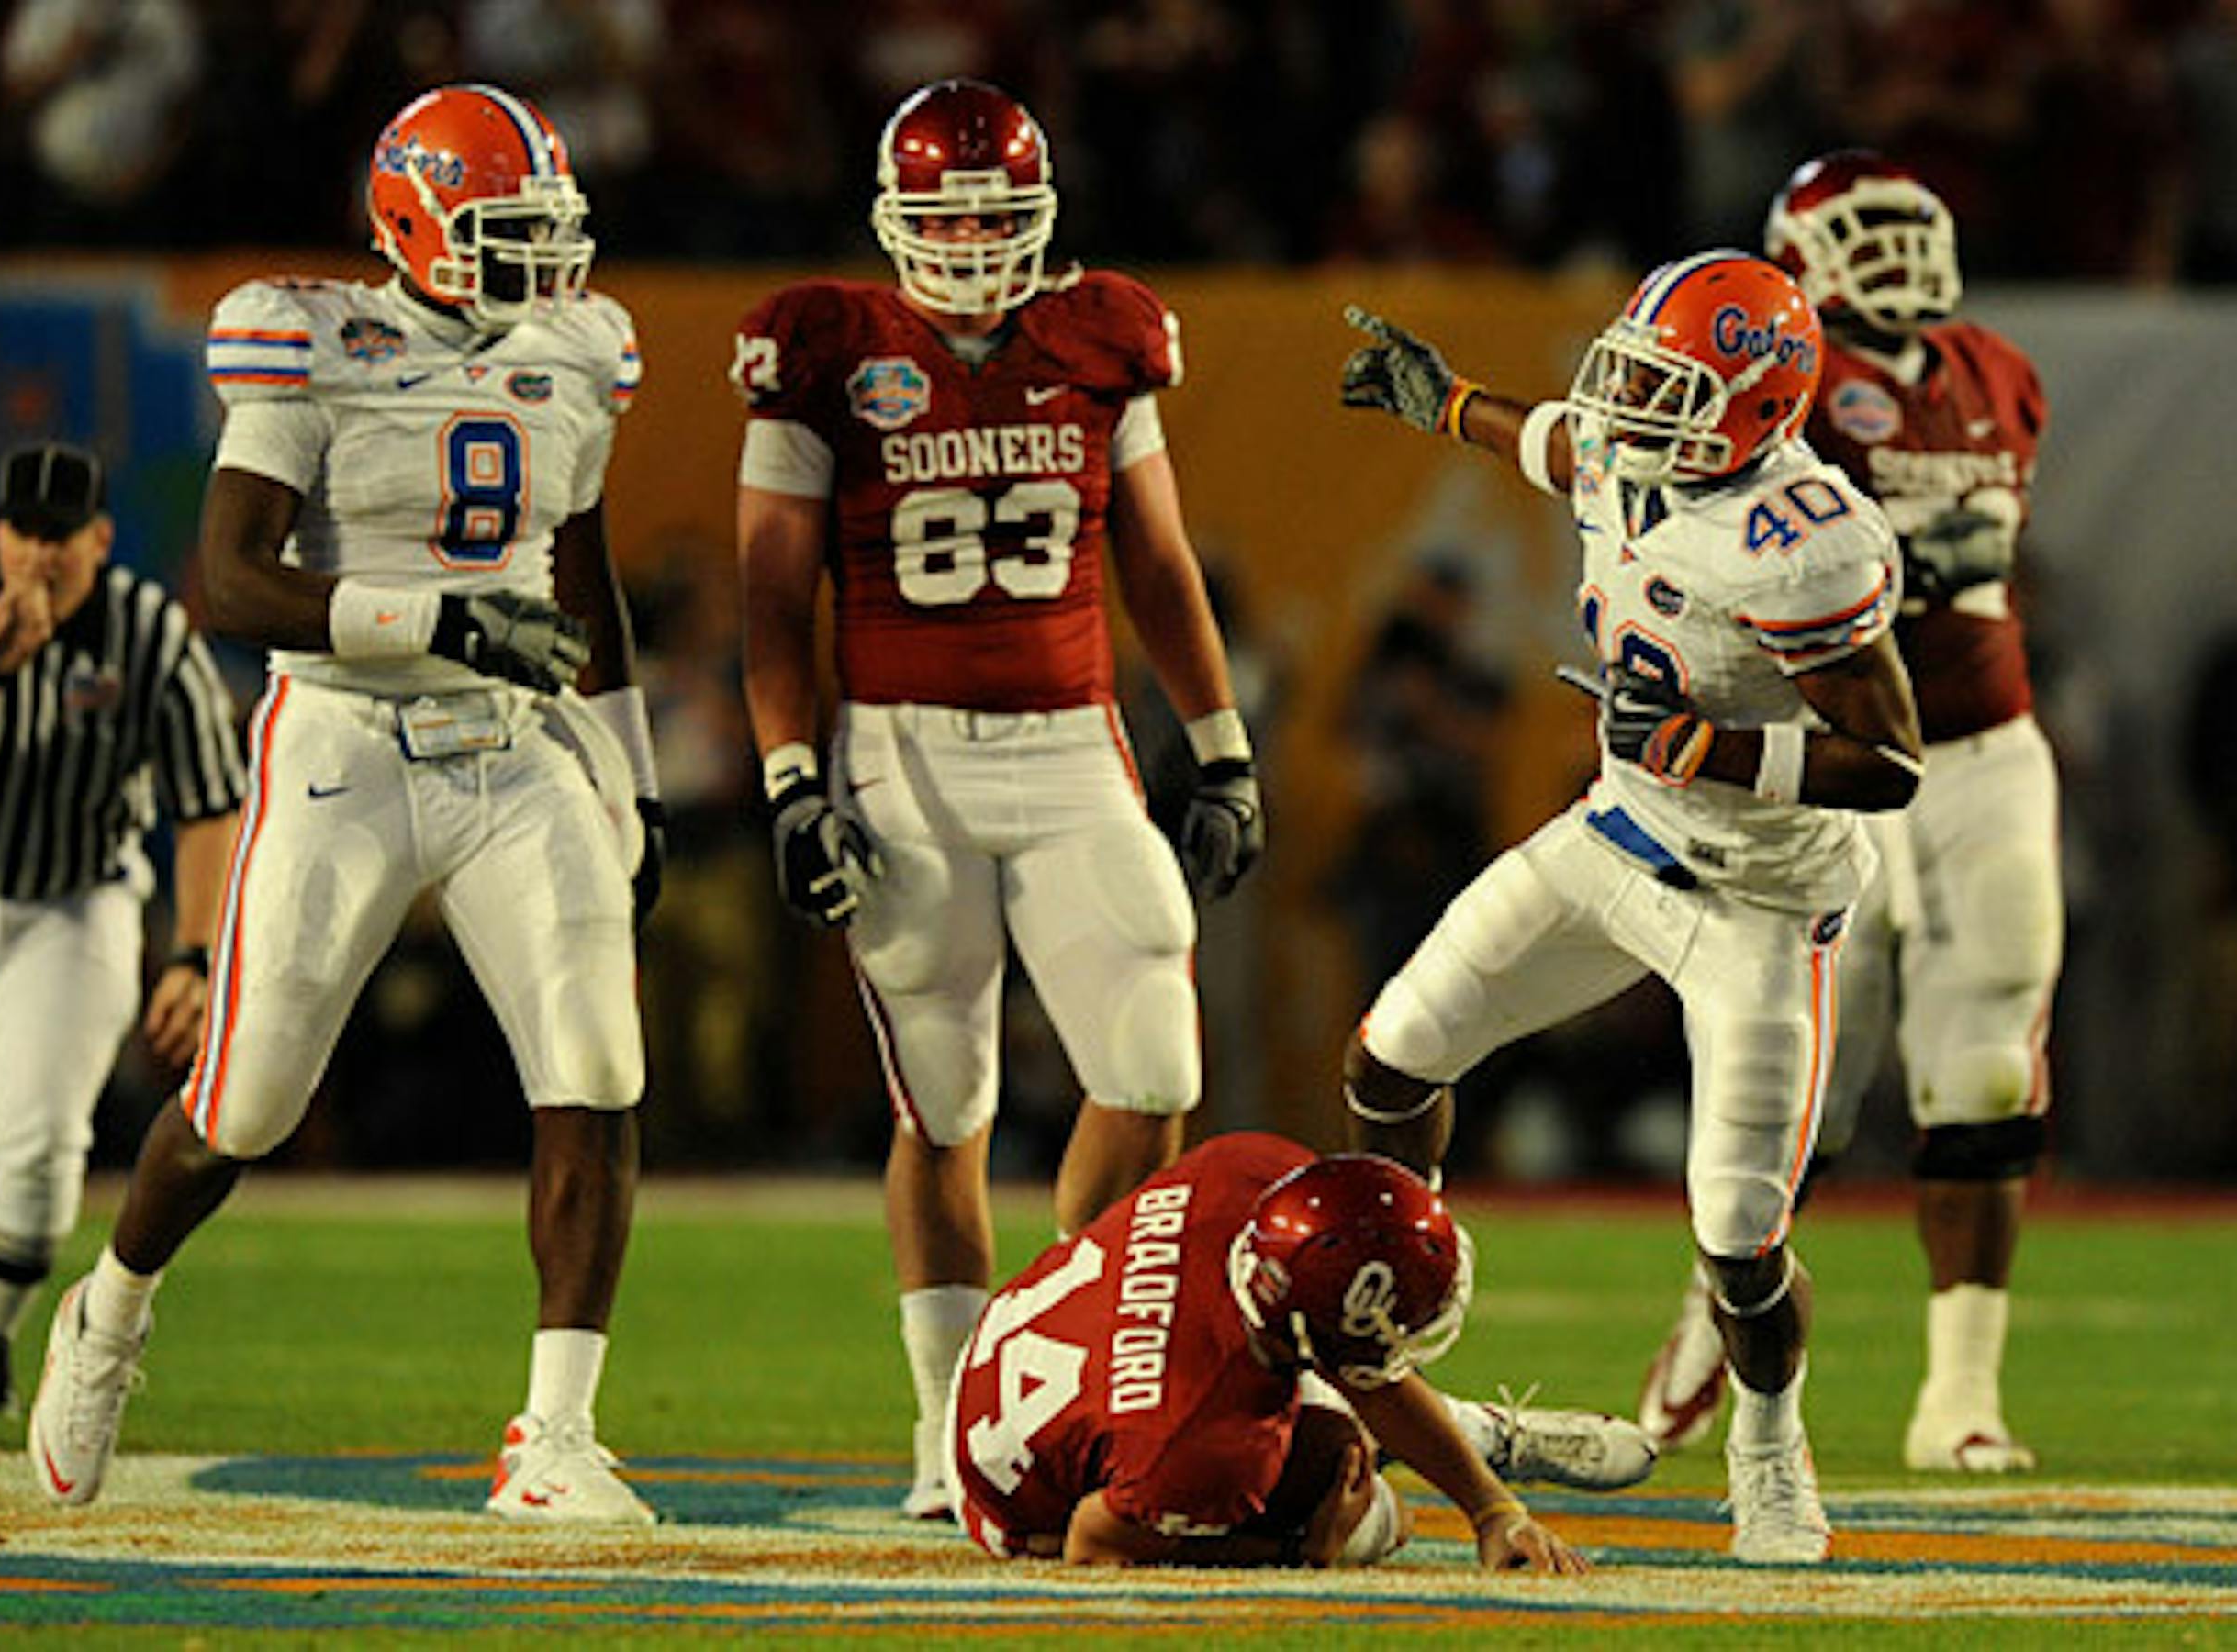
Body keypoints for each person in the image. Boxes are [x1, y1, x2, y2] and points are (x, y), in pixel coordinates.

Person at [27, 84, 666, 1524]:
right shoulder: (310, 338)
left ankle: (554, 1438)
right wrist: (437, 619)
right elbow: (234, 581)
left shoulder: (581, 350)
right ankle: (110, 1312)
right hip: (344, 742)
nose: (540, 262)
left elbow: (581, 568)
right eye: (503, 231)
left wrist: (626, 771)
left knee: (597, 1063)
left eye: (547, 230)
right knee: (246, 1101)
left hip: (515, 746)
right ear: (413, 224)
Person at [1334, 251, 1925, 1564]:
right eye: (1632, 373)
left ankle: (1767, 1450)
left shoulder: (1805, 539)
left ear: (1754, 407)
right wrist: (1449, 403)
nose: (1625, 404)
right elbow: (1555, 443)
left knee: (1738, 1237)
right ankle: (1394, 1328)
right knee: (1390, 1057)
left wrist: (1714, 750)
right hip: (1619, 837)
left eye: (1665, 386)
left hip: (1762, 900)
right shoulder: (1624, 446)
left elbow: (1889, 762)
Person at [733, 78, 1265, 1520]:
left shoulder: (1100, 336)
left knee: (1151, 1068)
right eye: (947, 218)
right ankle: (950, 1420)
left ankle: (1068, 1351)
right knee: (946, 1095)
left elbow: (1156, 562)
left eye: (995, 216)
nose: (971, 243)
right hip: (902, 756)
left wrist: (1219, 747)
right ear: (893, 218)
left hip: (1073, 743)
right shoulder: (824, 347)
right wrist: (790, 782)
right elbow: (773, 594)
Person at [1636, 152, 2062, 1476]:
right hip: (1843, 765)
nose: (1889, 253)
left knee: (1988, 1063)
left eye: (1902, 227)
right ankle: (1708, 1318)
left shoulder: (1999, 373)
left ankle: (1960, 1397)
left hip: (1987, 748)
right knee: (1802, 1093)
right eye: (1858, 231)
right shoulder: (1791, 378)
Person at [947, 1131, 1652, 1568]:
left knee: (1330, 1383)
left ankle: (1471, 1437)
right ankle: (1456, 1432)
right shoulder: (1204, 1442)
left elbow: (1342, 1350)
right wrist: (1298, 1551)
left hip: (1020, 1346)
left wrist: (1494, 1512)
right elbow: (1092, 1542)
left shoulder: (1245, 1175)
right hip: (1010, 1501)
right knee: (1371, 1519)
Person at [0, 441, 244, 1413]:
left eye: (61, 535)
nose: (40, 555)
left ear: (100, 537)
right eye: (24, 531)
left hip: (74, 899)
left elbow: (210, 801)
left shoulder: (147, 631)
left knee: (39, 1142)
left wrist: (196, 953)